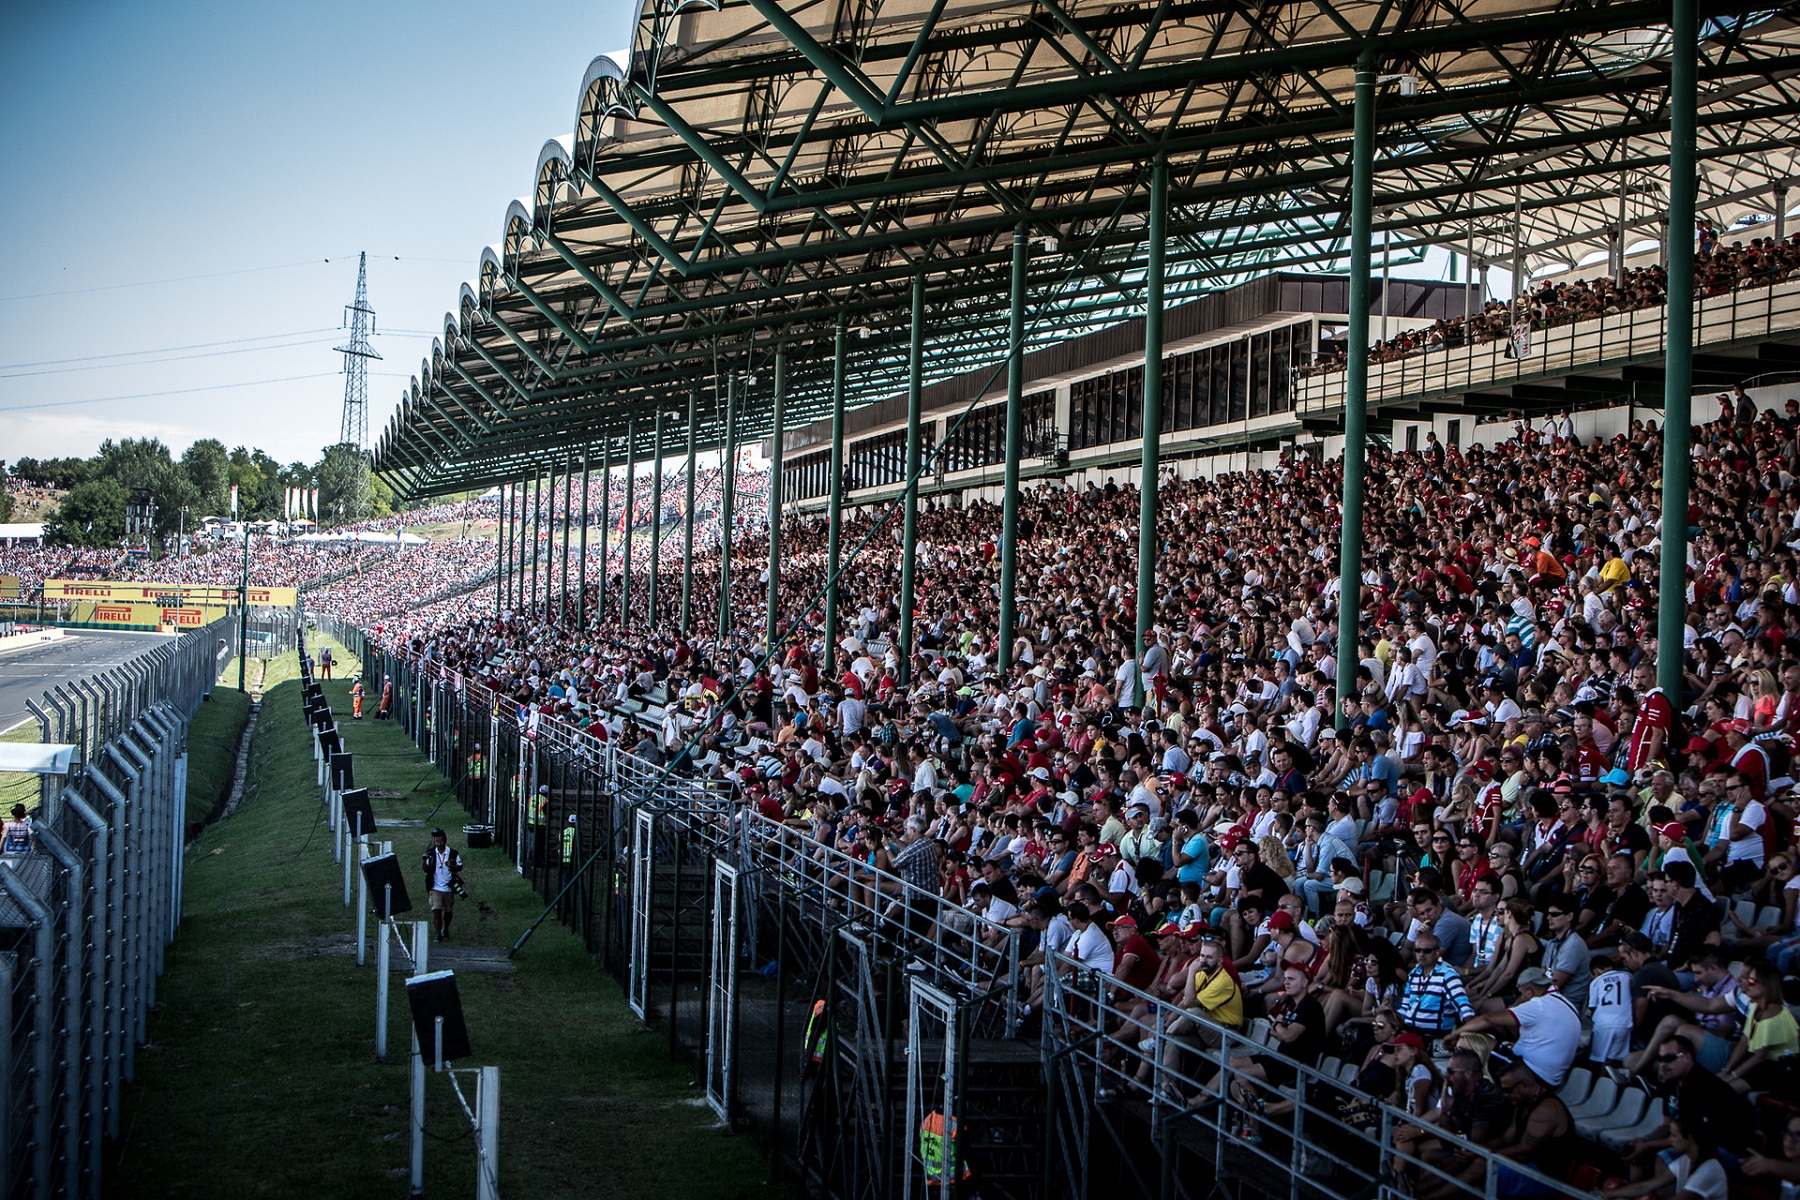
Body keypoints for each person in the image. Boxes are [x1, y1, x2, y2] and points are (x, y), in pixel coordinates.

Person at [1444, 968, 1580, 1088]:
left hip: (1533, 1076)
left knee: (1468, 1039)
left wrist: (1455, 1033)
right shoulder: (1566, 1003)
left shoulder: (1538, 1005)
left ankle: (1481, 1085)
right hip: (1552, 1079)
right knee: (1502, 1044)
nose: (1520, 997)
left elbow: (1487, 1019)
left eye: (1521, 993)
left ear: (1529, 991)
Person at [421, 828, 462, 941]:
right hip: (435, 887)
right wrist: (424, 860)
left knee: (448, 912)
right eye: (436, 841)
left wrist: (451, 865)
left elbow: (460, 867)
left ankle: (446, 928)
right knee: (436, 910)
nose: (438, 843)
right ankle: (438, 934)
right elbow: (425, 870)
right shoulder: (431, 853)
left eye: (440, 841)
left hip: (448, 887)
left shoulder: (453, 853)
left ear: (445, 841)